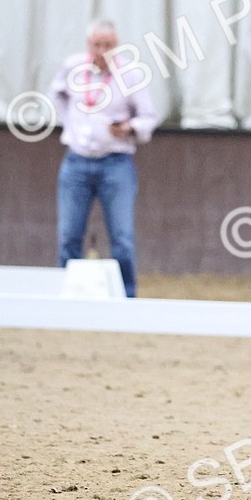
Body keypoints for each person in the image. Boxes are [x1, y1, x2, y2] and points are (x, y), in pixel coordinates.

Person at [50, 19, 156, 298]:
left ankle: (127, 296)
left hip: (115, 163)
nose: (102, 50)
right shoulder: (73, 67)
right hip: (76, 161)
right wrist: (70, 125)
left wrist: (129, 128)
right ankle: (68, 295)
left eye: (108, 45)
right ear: (88, 45)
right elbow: (57, 95)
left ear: (117, 46)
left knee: (122, 239)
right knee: (68, 236)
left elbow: (148, 117)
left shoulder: (131, 75)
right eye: (97, 45)